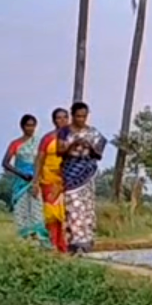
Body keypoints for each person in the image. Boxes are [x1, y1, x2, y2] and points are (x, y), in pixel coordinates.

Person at [59, 101, 106, 255]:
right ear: (72, 116)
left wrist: (89, 146)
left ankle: (85, 241)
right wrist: (73, 145)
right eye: (78, 116)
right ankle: (74, 241)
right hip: (71, 174)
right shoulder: (65, 131)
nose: (81, 119)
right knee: (72, 206)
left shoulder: (93, 132)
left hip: (87, 174)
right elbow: (60, 151)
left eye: (84, 116)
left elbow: (98, 154)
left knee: (86, 207)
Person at [3, 113, 49, 244]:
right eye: (28, 125)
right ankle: (23, 240)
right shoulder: (15, 144)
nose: (31, 128)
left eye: (33, 125)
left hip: (36, 180)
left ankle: (39, 239)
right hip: (21, 181)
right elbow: (5, 163)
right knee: (21, 209)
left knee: (36, 209)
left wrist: (36, 179)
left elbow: (43, 161)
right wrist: (21, 174)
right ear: (22, 126)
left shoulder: (40, 143)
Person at [33, 107, 71, 252]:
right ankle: (52, 245)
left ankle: (64, 247)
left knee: (65, 215)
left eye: (64, 117)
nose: (62, 120)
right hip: (48, 181)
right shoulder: (47, 138)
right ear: (54, 120)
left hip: (66, 182)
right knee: (51, 215)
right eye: (58, 118)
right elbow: (39, 160)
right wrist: (35, 181)